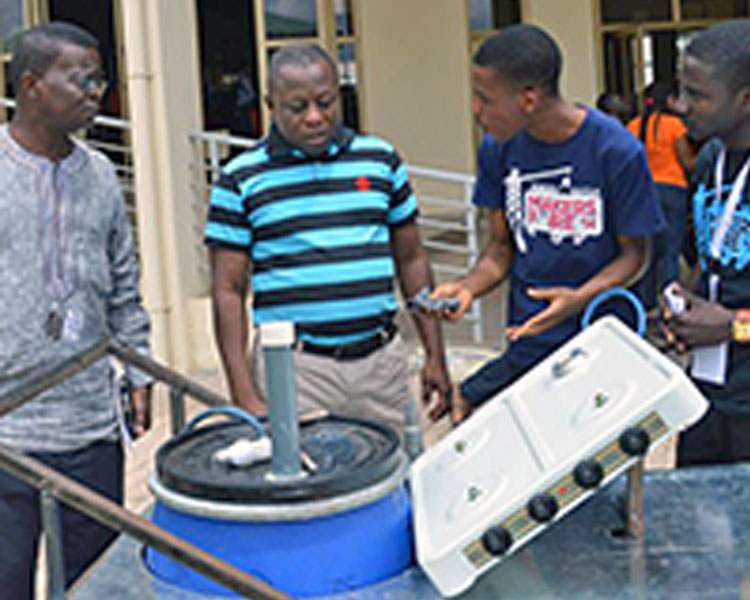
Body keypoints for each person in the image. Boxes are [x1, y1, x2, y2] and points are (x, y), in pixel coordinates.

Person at [204, 44, 451, 432]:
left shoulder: (380, 160)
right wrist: (243, 392)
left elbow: (412, 259)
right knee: (304, 489)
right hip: (296, 370)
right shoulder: (240, 179)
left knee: (393, 483)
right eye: (297, 107)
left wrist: (435, 354)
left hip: (381, 365)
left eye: (326, 102)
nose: (315, 117)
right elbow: (227, 290)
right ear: (271, 104)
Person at [432, 24, 664, 423]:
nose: (475, 110)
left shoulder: (616, 150)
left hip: (602, 343)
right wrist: (468, 288)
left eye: (485, 99)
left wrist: (579, 298)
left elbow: (635, 256)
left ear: (528, 98)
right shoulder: (498, 150)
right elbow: (501, 249)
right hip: (530, 341)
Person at [0, 22, 153, 598]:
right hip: (8, 430)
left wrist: (139, 367)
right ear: (33, 85)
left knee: (93, 585)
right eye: (81, 79)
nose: (96, 91)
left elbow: (123, 285)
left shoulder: (103, 174)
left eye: (99, 78)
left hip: (91, 427)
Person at [662, 20, 750, 466]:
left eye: (697, 94)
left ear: (746, 98)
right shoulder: (710, 159)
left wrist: (735, 325)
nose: (681, 105)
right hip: (706, 396)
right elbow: (711, 257)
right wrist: (686, 305)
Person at [626, 81, 695, 306]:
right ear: (668, 101)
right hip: (673, 191)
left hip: (643, 192)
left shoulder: (633, 126)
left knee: (647, 253)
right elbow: (687, 161)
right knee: (670, 250)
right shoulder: (675, 126)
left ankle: (646, 306)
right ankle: (670, 304)